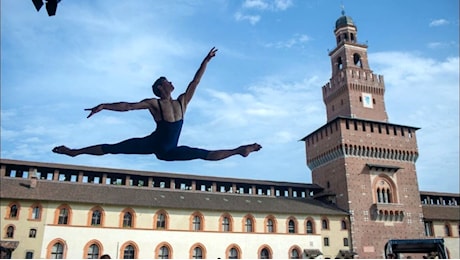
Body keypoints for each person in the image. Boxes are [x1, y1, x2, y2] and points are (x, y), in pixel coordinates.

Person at [53, 47, 262, 161]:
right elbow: (128, 106)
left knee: (202, 154)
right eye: (167, 81)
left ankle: (239, 150)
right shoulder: (154, 103)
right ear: (161, 88)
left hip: (170, 151)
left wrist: (205, 61)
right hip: (153, 144)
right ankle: (74, 152)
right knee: (112, 148)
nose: (171, 82)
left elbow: (195, 81)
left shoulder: (182, 101)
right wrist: (104, 106)